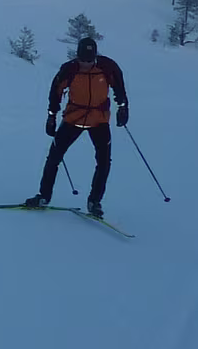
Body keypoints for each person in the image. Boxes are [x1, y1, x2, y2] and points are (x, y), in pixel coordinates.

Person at [23, 35, 128, 216]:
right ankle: (43, 197)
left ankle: (94, 202)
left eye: (89, 61)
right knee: (54, 158)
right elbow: (55, 92)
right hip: (73, 119)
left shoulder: (107, 67)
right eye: (82, 60)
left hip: (99, 120)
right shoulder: (69, 69)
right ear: (77, 56)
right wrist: (51, 117)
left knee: (104, 162)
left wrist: (123, 107)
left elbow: (119, 87)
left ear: (95, 57)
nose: (85, 64)